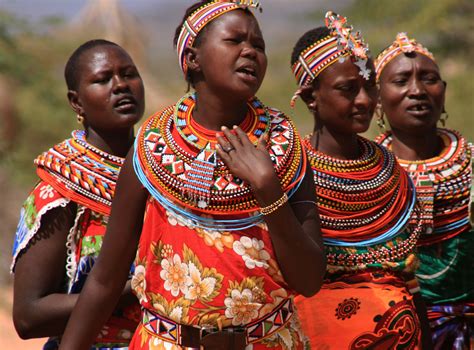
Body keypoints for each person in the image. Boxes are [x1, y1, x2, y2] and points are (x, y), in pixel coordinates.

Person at [59, 1, 326, 349]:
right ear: (194, 58)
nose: (250, 51)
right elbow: (104, 283)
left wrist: (267, 188)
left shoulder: (286, 145)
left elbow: (308, 280)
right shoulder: (151, 148)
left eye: (258, 45)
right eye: (234, 41)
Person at [289, 12, 431, 349]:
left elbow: (410, 279)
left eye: (369, 86)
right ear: (311, 96)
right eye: (348, 90)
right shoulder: (290, 170)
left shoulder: (390, 169)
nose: (365, 100)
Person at [11, 39, 145, 349]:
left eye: (129, 74)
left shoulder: (162, 171)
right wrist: (134, 287)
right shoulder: (59, 191)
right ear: (76, 102)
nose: (121, 86)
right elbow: (29, 317)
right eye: (103, 79)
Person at [375, 33, 474, 349]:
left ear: (443, 92)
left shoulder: (470, 164)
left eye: (429, 79)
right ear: (376, 99)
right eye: (402, 80)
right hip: (393, 330)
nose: (417, 90)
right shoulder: (364, 174)